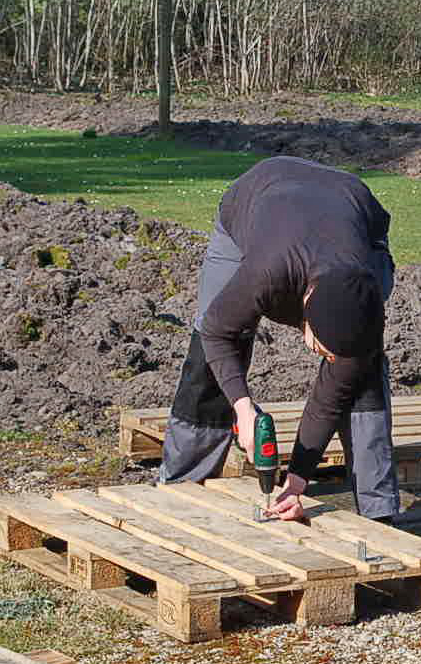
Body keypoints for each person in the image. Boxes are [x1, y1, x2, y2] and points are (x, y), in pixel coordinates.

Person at [158, 156, 398, 523]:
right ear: (305, 306)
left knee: (360, 370)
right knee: (213, 343)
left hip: (352, 205)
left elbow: (329, 399)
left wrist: (297, 481)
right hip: (259, 194)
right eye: (322, 348)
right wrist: (243, 407)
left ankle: (378, 511)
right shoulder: (267, 273)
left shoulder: (364, 296)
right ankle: (180, 485)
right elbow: (216, 332)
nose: (324, 356)